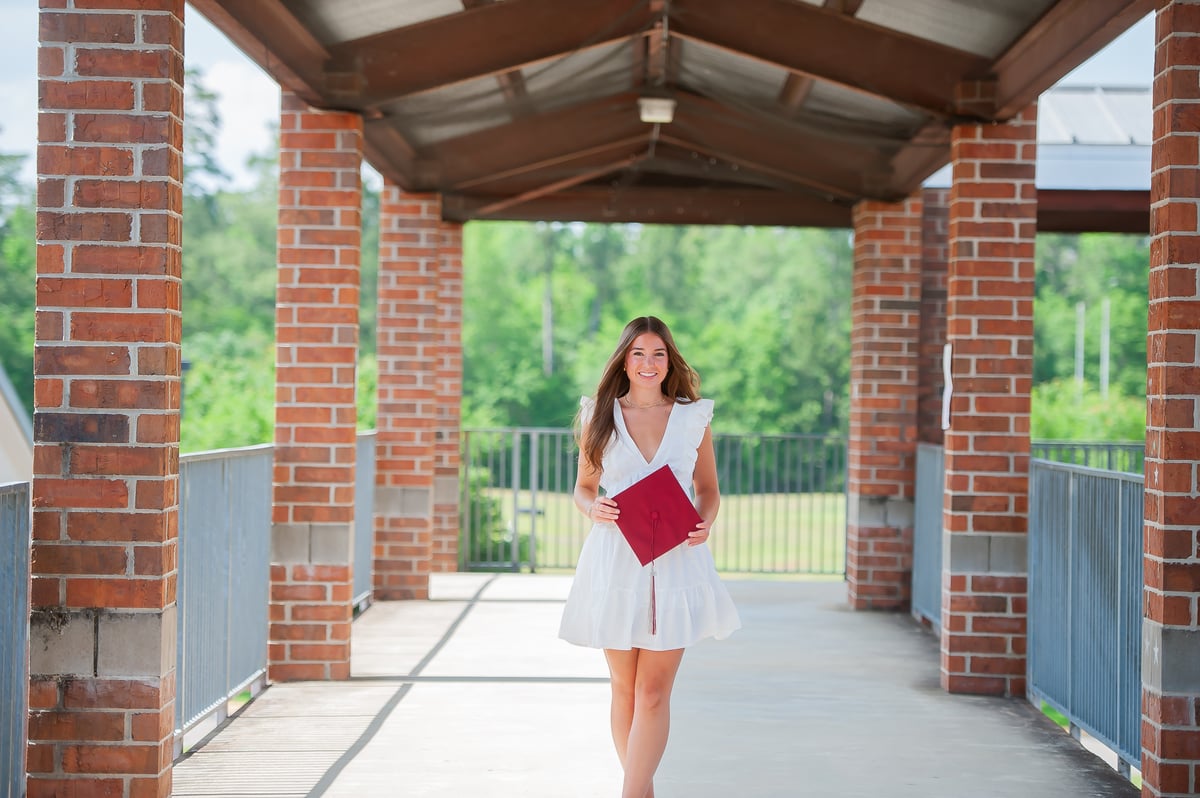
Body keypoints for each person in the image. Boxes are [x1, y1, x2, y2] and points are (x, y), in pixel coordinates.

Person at [559, 315, 740, 798]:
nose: (648, 363)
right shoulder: (599, 413)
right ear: (624, 359)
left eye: (658, 354)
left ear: (669, 360)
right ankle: (643, 790)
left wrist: (705, 522)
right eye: (638, 353)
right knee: (624, 689)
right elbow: (582, 488)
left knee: (653, 692)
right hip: (615, 562)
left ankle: (630, 792)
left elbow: (708, 491)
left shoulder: (692, 417)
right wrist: (591, 507)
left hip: (678, 562)